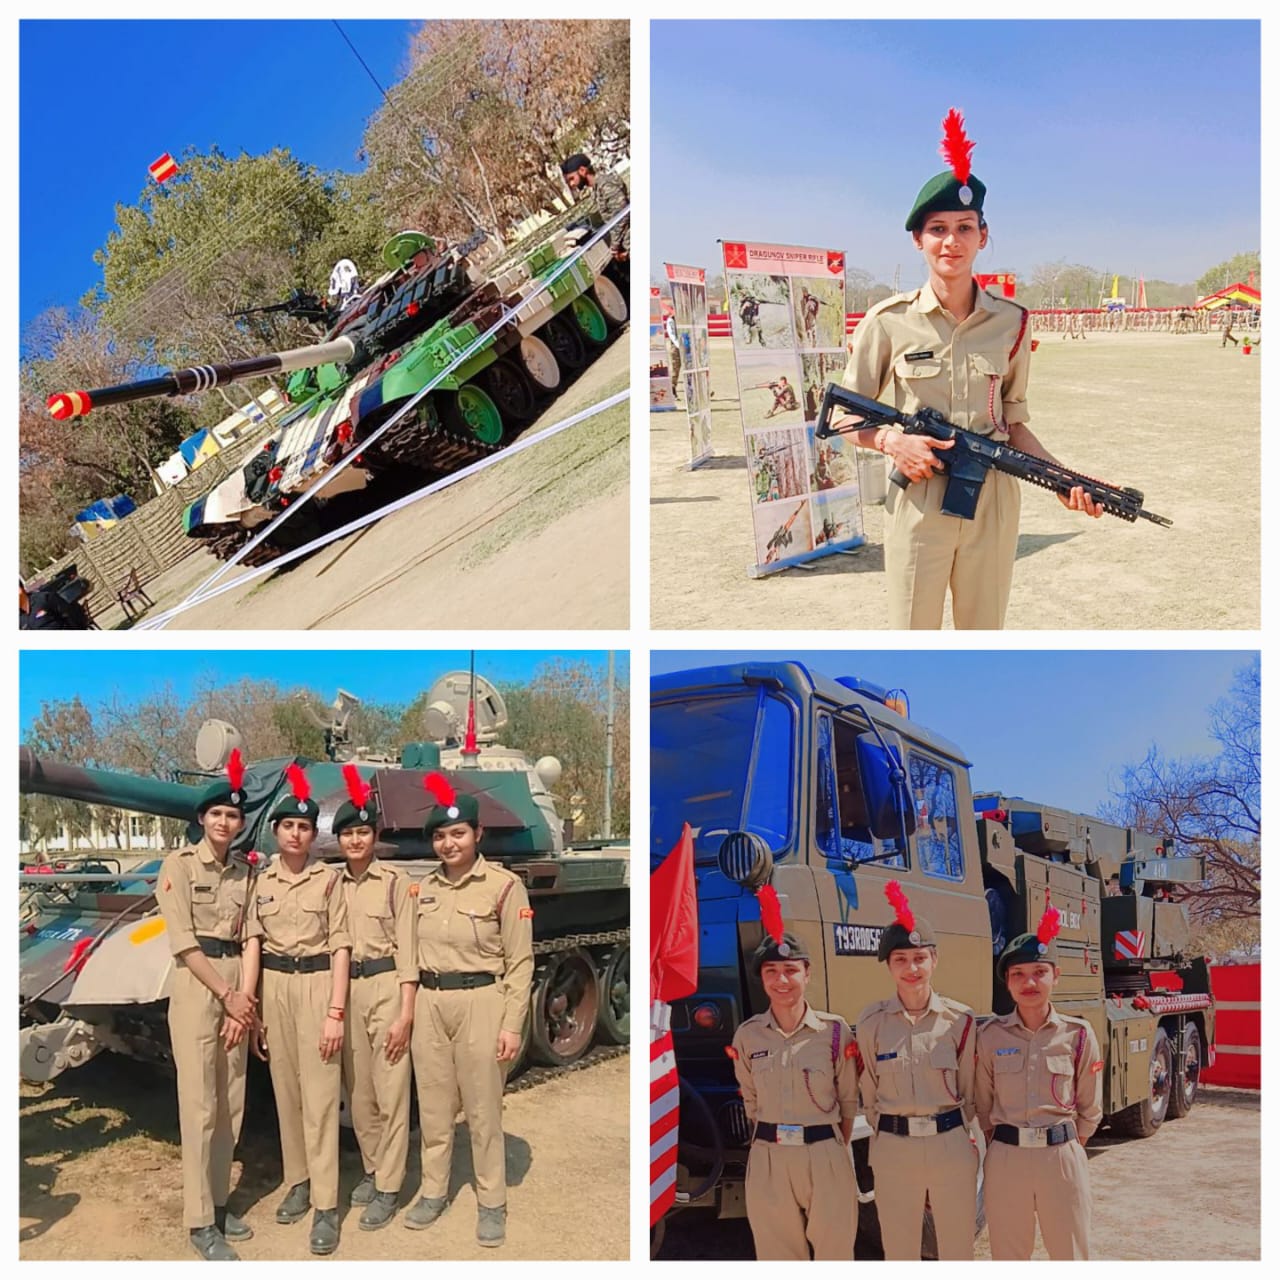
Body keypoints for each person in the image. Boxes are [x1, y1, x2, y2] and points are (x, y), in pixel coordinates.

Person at [833, 108, 1102, 629]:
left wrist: (1066, 480)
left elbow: (1015, 423)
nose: (950, 241)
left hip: (992, 498)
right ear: (919, 239)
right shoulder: (887, 322)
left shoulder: (1013, 323)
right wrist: (893, 441)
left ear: (982, 234)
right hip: (918, 495)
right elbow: (845, 416)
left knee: (984, 631)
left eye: (963, 228)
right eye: (937, 229)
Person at [403, 772, 534, 1247]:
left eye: (457, 833)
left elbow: (521, 963)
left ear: (478, 834)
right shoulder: (421, 889)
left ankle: (491, 1201)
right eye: (439, 836)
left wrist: (512, 1025)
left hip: (482, 1000)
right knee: (434, 1107)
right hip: (431, 1002)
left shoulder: (502, 887)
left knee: (482, 1111)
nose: (447, 843)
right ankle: (434, 1191)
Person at [154, 752, 262, 1260]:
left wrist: (246, 997)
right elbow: (184, 942)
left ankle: (219, 1203)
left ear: (241, 824)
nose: (224, 822)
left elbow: (253, 938)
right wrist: (228, 994)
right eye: (216, 814)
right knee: (199, 1105)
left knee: (230, 1100)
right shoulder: (177, 867)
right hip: (201, 987)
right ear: (202, 819)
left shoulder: (246, 871)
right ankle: (199, 1222)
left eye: (233, 816)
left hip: (237, 981)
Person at [253, 764, 352, 1256]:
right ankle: (297, 1180)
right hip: (274, 988)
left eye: (305, 827)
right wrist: (252, 1010)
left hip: (316, 986)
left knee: (319, 1097)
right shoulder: (259, 881)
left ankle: (326, 1203)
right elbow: (252, 941)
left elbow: (340, 947)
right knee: (286, 1094)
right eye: (288, 825)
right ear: (276, 832)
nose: (296, 833)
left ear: (314, 835)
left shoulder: (328, 882)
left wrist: (336, 1011)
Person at [854, 882, 978, 1260]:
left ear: (934, 960)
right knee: (900, 1249)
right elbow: (869, 1091)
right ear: (889, 966)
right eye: (901, 960)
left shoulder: (960, 1021)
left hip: (950, 1145)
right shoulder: (871, 1022)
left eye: (919, 958)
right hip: (894, 1148)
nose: (912, 968)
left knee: (956, 1246)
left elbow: (971, 1093)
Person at [976, 907, 1103, 1259]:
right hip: (1006, 1159)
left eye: (1039, 972)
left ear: (1055, 976)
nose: (1029, 982)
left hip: (1060, 1157)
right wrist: (1004, 1142)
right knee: (1009, 1255)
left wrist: (1065, 1143)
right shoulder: (989, 1036)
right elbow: (983, 1104)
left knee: (1070, 1253)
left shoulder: (1078, 1035)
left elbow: (1090, 1106)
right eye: (1018, 974)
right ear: (1007, 981)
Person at [730, 926, 859, 1260]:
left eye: (790, 970)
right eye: (771, 972)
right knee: (777, 1254)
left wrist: (830, 1149)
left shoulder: (833, 1031)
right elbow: (751, 1100)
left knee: (835, 1250)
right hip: (769, 1156)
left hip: (824, 1153)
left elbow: (847, 1101)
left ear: (807, 973)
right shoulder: (748, 1035)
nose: (781, 980)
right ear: (762, 978)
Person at [335, 764, 417, 1232]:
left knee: (390, 1091)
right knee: (359, 1091)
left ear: (374, 836)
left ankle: (389, 1185)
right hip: (348, 991)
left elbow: (408, 949)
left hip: (387, 987)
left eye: (363, 833)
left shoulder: (395, 883)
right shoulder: (332, 883)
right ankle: (371, 1167)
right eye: (348, 834)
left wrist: (405, 1011)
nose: (355, 841)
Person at [560, 153, 629, 272]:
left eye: (572, 178)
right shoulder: (597, 190)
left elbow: (622, 215)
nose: (572, 184)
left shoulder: (606, 185)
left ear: (582, 170)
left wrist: (614, 246)